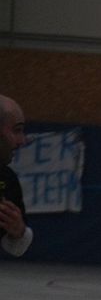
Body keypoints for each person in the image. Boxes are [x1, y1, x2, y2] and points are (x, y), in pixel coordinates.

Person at [0, 94, 33, 258]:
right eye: (16, 130)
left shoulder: (7, 178)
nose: (22, 140)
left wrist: (18, 230)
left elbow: (17, 248)